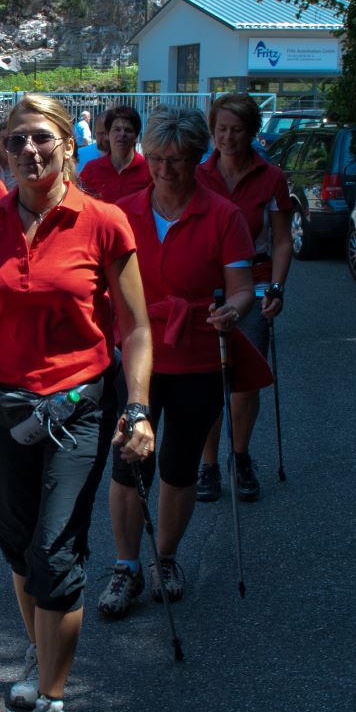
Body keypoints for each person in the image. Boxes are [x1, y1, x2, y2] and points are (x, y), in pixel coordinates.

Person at [0, 93, 155, 712]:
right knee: (18, 545)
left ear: (66, 145)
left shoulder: (104, 222)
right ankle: (38, 646)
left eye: (43, 140)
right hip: (5, 405)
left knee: (56, 552)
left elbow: (136, 328)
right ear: (1, 149)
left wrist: (137, 407)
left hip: (80, 406)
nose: (31, 152)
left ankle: (53, 702)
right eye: (17, 141)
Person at [94, 110, 257, 618]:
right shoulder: (122, 213)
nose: (166, 170)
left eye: (180, 160)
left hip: (199, 353)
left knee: (179, 465)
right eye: (159, 159)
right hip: (136, 357)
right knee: (126, 465)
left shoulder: (223, 215)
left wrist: (234, 310)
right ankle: (125, 565)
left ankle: (165, 557)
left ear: (197, 159)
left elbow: (242, 287)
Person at [195, 92, 292, 503]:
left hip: (252, 285)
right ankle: (209, 465)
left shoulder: (271, 178)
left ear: (252, 132)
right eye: (221, 130)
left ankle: (240, 456)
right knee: (205, 380)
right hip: (203, 287)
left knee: (244, 379)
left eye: (236, 130)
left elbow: (283, 241)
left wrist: (277, 287)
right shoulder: (197, 174)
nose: (228, 138)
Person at [77, 102, 149, 203]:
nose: (122, 134)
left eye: (128, 130)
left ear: (136, 136)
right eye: (117, 129)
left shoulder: (149, 170)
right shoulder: (91, 169)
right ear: (108, 134)